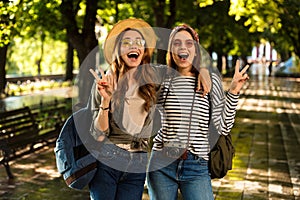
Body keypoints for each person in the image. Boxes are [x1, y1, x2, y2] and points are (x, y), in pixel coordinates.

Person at [88, 19, 210, 200]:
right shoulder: (107, 81)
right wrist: (106, 101)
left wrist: (203, 70)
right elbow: (98, 134)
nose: (133, 46)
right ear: (118, 50)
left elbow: (181, 67)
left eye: (139, 42)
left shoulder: (153, 76)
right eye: (127, 42)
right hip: (108, 159)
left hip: (138, 162)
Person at [147, 24, 250, 200]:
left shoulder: (211, 82)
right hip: (161, 163)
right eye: (176, 43)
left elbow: (223, 128)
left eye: (188, 43)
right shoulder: (162, 77)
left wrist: (233, 91)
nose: (182, 48)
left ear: (196, 49)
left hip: (197, 165)